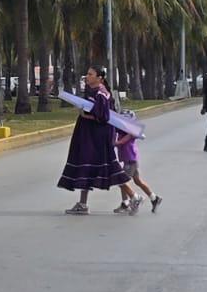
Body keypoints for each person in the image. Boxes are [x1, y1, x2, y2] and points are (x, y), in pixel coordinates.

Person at [57, 65, 131, 215]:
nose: (87, 76)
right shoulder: (92, 91)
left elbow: (103, 116)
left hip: (98, 138)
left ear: (99, 78)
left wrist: (85, 115)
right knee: (86, 167)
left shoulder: (101, 93)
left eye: (91, 74)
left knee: (110, 167)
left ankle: (133, 197)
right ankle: (82, 204)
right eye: (87, 74)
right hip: (88, 136)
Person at [115, 115, 162, 214]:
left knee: (122, 182)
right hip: (130, 160)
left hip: (130, 160)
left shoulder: (131, 133)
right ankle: (154, 198)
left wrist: (113, 143)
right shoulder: (122, 132)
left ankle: (130, 202)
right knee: (137, 181)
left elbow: (120, 142)